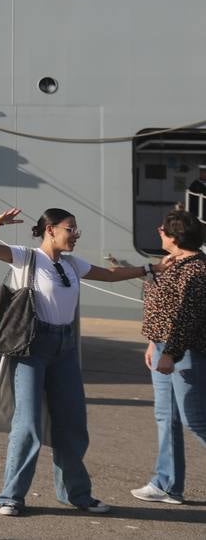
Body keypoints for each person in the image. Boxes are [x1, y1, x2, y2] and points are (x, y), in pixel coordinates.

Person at [0, 207, 161, 517]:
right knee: (28, 424)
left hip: (65, 348)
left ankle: (77, 495)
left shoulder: (72, 264)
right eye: (69, 229)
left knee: (73, 425)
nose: (75, 234)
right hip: (31, 347)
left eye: (75, 229)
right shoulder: (25, 256)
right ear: (50, 230)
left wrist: (147, 269)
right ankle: (10, 496)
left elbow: (108, 275)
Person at [131, 206, 206, 505]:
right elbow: (160, 309)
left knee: (196, 420)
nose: (159, 231)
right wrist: (153, 342)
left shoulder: (197, 270)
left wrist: (171, 353)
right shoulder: (169, 263)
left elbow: (188, 317)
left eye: (163, 229)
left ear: (175, 235)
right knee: (166, 416)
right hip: (164, 346)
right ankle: (166, 484)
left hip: (184, 350)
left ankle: (167, 483)